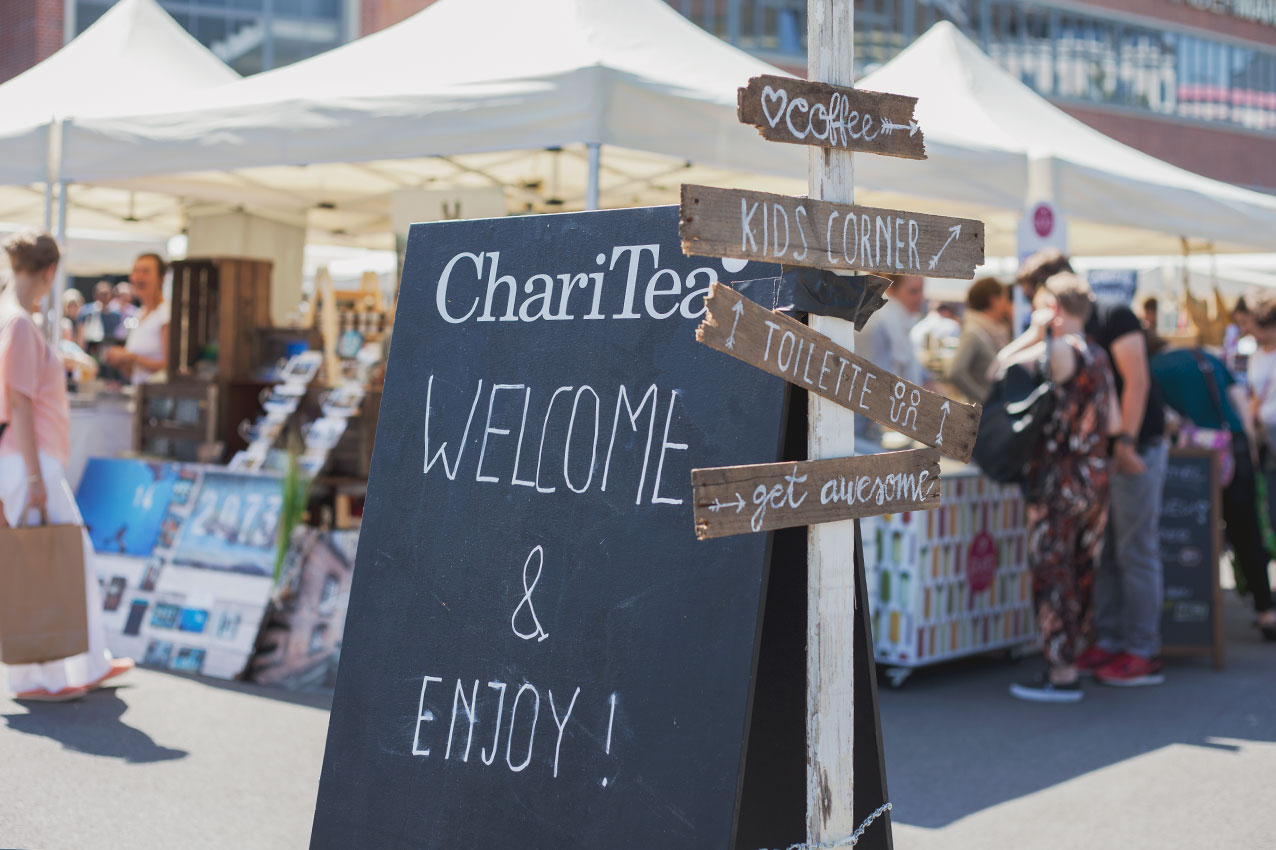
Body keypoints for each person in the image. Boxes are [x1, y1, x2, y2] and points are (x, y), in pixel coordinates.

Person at [1019, 249, 1168, 687]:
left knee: (1134, 550)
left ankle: (1141, 649)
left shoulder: (1112, 314)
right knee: (1102, 556)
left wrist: (1125, 443)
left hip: (1132, 448)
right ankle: (1111, 641)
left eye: (1037, 295)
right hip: (1103, 455)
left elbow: (1136, 380)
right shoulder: (1078, 329)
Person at [0, 231, 133, 701]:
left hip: (24, 458)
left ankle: (78, 664)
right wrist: (36, 477)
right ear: (52, 272)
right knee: (48, 560)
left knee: (53, 558)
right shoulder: (17, 324)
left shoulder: (11, 320)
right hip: (26, 459)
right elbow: (18, 402)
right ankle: (39, 674)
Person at [997, 272, 1118, 702]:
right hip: (1095, 475)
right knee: (1082, 568)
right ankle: (1074, 655)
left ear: (1057, 309)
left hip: (1058, 479)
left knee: (1053, 571)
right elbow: (1115, 422)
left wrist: (1032, 332)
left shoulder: (1061, 350)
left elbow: (1001, 366)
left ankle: (1061, 669)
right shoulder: (1100, 356)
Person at [1152, 344, 1276, 641]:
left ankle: (1187, 614)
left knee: (1191, 531)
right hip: (1235, 444)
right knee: (1248, 532)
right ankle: (1266, 611)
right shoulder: (1210, 360)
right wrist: (1247, 441)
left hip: (1195, 455)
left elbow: (1166, 417)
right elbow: (1240, 402)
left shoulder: (1154, 368)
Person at [855, 274, 926, 446]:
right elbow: (904, 368)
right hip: (867, 411)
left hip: (865, 406)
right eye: (913, 292)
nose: (920, 298)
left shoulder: (875, 307)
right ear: (891, 288)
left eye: (921, 291)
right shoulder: (890, 314)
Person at [103, 254, 169, 384]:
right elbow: (134, 373)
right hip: (140, 395)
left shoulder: (165, 314)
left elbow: (167, 367)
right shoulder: (140, 314)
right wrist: (121, 362)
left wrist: (129, 357)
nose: (138, 277)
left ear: (161, 278)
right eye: (136, 271)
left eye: (145, 271)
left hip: (158, 400)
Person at [948, 276, 1012, 403]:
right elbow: (955, 372)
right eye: (1005, 298)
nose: (1007, 304)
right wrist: (984, 398)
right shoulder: (973, 332)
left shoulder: (994, 330)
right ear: (994, 300)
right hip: (983, 415)